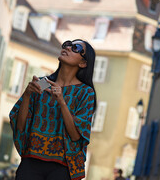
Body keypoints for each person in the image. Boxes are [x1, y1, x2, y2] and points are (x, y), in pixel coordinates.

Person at [9, 39, 97, 180]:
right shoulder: (43, 83)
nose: (68, 47)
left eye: (76, 47)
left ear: (83, 63)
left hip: (62, 168)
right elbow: (20, 126)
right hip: (31, 162)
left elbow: (75, 136)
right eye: (67, 44)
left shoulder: (86, 92)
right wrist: (26, 94)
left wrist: (62, 101)